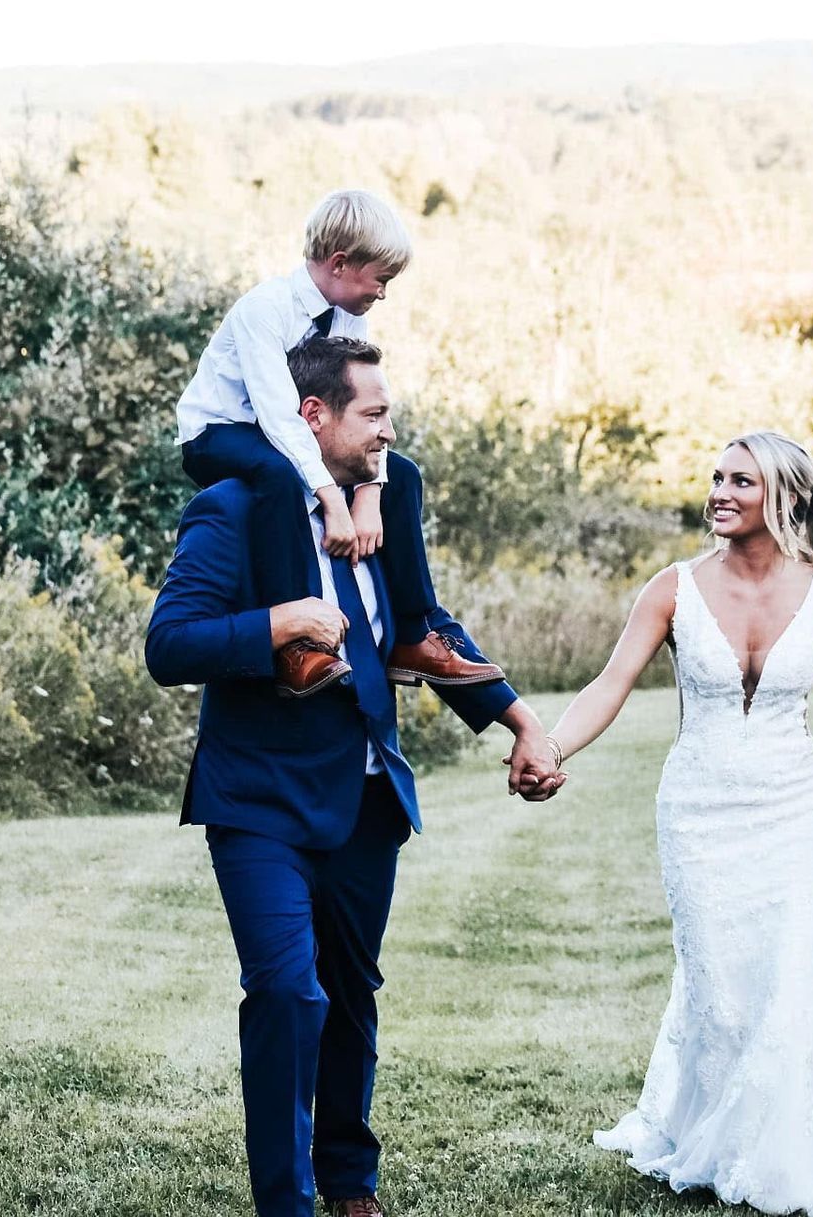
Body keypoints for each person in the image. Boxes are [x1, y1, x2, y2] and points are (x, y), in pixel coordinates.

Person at [147, 335, 565, 1217]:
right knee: (287, 992)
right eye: (372, 414)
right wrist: (281, 620)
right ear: (314, 417)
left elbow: (421, 619)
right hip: (257, 795)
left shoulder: (393, 489)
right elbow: (170, 645)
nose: (387, 430)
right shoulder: (231, 507)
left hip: (369, 792)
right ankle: (285, 1202)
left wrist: (519, 718)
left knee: (349, 994)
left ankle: (348, 1183)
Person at [534, 431, 813, 1217]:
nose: (718, 491)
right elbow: (609, 685)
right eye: (716, 477)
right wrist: (547, 747)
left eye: (739, 480)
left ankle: (783, 1155)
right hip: (699, 807)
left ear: (782, 496)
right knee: (717, 981)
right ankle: (712, 1129)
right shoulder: (673, 587)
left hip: (795, 806)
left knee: (790, 966)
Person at [174, 188, 499, 697]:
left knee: (404, 474)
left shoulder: (348, 317)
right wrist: (333, 501)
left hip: (285, 432)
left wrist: (370, 492)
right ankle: (296, 647)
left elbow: (361, 408)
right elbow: (283, 418)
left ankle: (413, 638)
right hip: (221, 432)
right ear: (342, 263)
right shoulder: (264, 309)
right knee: (278, 477)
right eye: (382, 280)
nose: (384, 293)